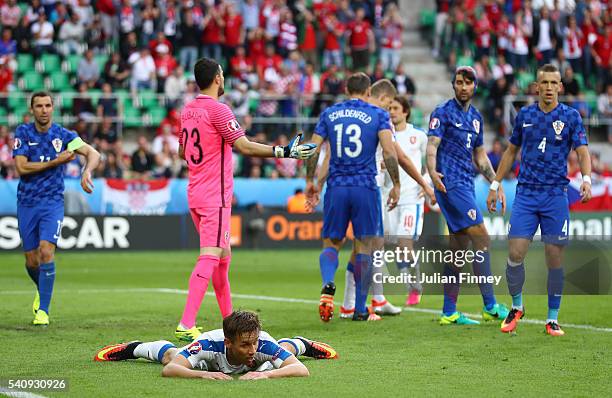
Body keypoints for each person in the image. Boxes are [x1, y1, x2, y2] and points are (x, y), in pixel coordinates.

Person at [175, 57, 316, 341]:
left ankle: (230, 322)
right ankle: (186, 322)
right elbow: (243, 146)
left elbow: (181, 152)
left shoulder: (188, 111)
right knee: (210, 255)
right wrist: (283, 152)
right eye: (223, 75)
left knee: (223, 259)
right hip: (215, 195)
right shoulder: (219, 110)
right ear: (217, 78)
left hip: (196, 192)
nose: (224, 79)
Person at [487, 64, 592, 336]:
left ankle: (552, 318)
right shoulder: (525, 115)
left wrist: (587, 179)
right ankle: (517, 306)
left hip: (556, 195)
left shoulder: (570, 117)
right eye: (543, 82)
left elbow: (582, 151)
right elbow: (511, 152)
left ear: (560, 86)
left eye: (552, 83)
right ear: (536, 85)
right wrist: (495, 183)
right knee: (515, 253)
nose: (547, 87)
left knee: (554, 257)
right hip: (526, 194)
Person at [305, 72, 400, 322]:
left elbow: (313, 149)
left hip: (336, 186)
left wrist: (310, 181)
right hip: (365, 187)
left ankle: (328, 283)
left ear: (347, 89)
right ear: (368, 91)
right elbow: (389, 152)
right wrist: (397, 183)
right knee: (364, 246)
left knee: (331, 243)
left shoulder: (329, 114)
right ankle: (360, 309)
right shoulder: (379, 115)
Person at [426, 66, 509, 326]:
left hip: (466, 184)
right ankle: (491, 306)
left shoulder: (476, 118)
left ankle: (449, 311)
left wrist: (495, 182)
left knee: (458, 250)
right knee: (482, 239)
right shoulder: (442, 112)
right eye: (459, 82)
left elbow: (480, 156)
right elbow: (432, 146)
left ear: (475, 87)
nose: (464, 87)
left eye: (468, 82)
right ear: (453, 85)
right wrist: (431, 171)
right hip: (450, 185)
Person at [13, 91, 100, 326]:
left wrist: (87, 171)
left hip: (52, 203)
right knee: (31, 261)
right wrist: (55, 161)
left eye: (48, 105)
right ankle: (41, 290)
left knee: (46, 252)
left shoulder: (64, 135)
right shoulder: (23, 133)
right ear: (32, 110)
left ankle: (43, 310)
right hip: (27, 203)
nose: (44, 109)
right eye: (39, 106)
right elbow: (21, 167)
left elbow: (94, 153)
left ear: (53, 108)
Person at [95, 311, 337, 379]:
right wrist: (200, 377)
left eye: (254, 343)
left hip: (266, 355)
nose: (252, 350)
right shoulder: (208, 345)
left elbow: (301, 370)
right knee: (171, 356)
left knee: (283, 351)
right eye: (245, 345)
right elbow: (169, 370)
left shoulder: (259, 343)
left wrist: (267, 376)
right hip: (208, 364)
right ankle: (135, 348)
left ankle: (301, 343)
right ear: (228, 343)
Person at [384, 95, 429, 306]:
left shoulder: (418, 135)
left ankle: (416, 288)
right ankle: (409, 286)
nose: (391, 111)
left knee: (404, 243)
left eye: (395, 107)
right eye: (390, 108)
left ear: (405, 112)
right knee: (394, 246)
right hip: (389, 197)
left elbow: (430, 161)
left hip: (411, 198)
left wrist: (425, 183)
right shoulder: (384, 135)